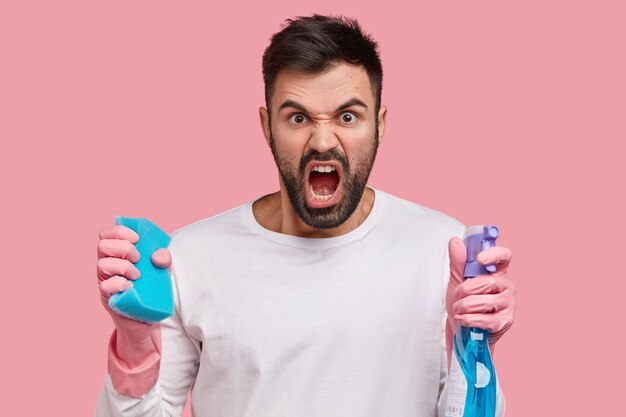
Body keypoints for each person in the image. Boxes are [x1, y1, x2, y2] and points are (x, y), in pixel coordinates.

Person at [95, 15, 516, 417]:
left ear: (380, 124)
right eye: (298, 118)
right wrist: (134, 345)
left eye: (347, 117)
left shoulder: (442, 250)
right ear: (267, 127)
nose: (322, 141)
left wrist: (474, 347)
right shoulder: (192, 255)